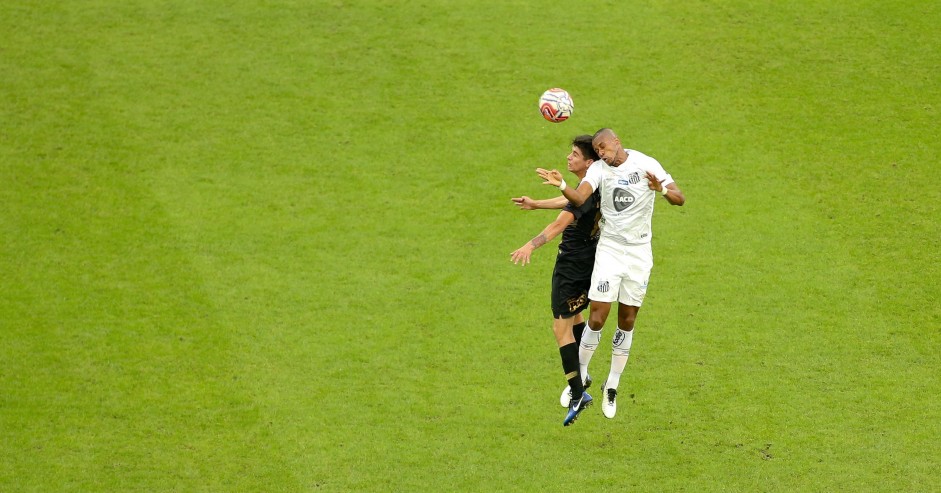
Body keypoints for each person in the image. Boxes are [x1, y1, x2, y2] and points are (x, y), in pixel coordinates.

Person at [536, 128, 685, 420]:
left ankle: (612, 385)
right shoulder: (600, 170)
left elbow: (680, 198)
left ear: (617, 142)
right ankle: (580, 379)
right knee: (597, 316)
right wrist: (563, 184)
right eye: (598, 150)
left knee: (627, 320)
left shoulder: (646, 164)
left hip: (640, 253)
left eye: (604, 147)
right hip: (611, 250)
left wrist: (662, 190)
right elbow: (580, 199)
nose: (602, 153)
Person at [510, 134, 601, 426]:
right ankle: (583, 371)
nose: (568, 157)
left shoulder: (583, 196)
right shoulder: (594, 187)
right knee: (575, 320)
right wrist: (536, 203)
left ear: (589, 161)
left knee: (560, 328)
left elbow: (559, 224)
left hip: (570, 269)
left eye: (575, 154)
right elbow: (569, 200)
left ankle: (578, 393)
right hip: (590, 265)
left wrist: (530, 245)